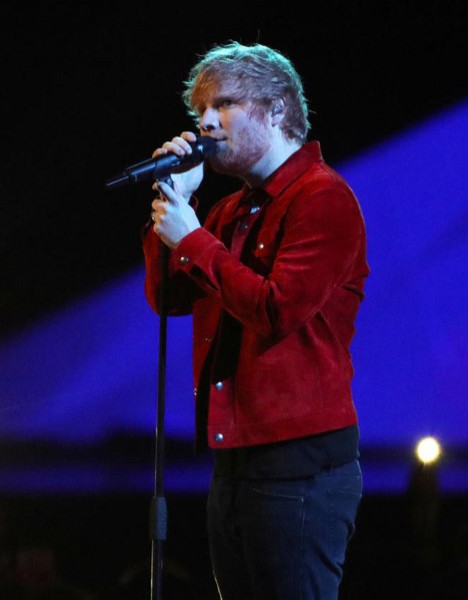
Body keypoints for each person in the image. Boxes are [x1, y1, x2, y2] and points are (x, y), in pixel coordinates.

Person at [142, 41, 368, 599]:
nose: (206, 123)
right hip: (235, 457)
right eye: (200, 112)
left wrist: (192, 237)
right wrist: (176, 201)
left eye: (223, 105)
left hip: (300, 462)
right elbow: (168, 297)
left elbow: (277, 308)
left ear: (275, 110)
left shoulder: (323, 198)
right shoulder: (229, 210)